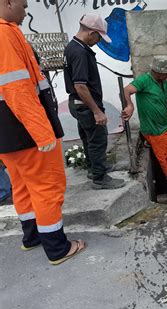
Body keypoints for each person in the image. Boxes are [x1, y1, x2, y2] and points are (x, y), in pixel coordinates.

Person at [0, 0, 85, 264]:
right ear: (8, 2)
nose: (27, 11)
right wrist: (43, 133)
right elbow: (17, 89)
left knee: (22, 186)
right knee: (47, 187)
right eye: (24, 6)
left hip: (8, 135)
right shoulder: (4, 34)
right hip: (25, 132)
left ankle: (32, 237)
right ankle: (58, 248)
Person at [64, 13, 124, 189]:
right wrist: (96, 111)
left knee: (88, 137)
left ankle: (94, 168)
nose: (98, 40)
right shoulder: (80, 52)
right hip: (85, 105)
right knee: (98, 139)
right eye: (98, 36)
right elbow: (80, 85)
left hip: (77, 103)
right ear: (91, 32)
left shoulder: (72, 47)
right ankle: (100, 178)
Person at [122, 56, 167, 196]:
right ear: (157, 71)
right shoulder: (144, 81)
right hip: (155, 131)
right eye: (166, 73)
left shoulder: (164, 84)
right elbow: (126, 90)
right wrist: (129, 105)